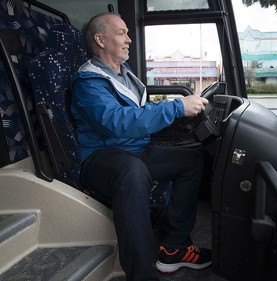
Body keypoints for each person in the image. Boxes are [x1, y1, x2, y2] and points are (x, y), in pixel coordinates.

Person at [70, 12, 210, 281]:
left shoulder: (125, 75)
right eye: (121, 33)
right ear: (100, 39)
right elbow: (117, 122)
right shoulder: (88, 83)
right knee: (132, 173)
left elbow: (141, 110)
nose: (129, 39)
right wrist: (177, 107)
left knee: (193, 160)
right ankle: (142, 274)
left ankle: (173, 247)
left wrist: (177, 109)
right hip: (101, 157)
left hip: (134, 150)